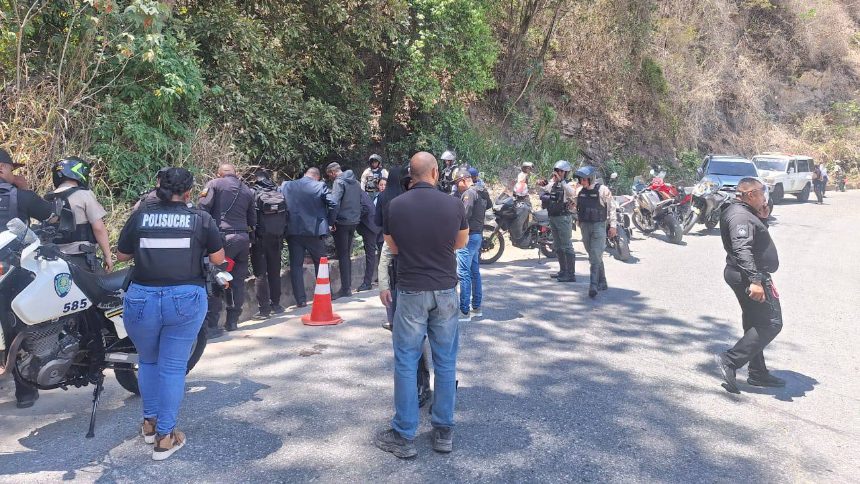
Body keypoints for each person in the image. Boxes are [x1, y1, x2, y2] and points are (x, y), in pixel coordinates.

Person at [116, 167, 225, 460]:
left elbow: (122, 255)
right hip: (185, 298)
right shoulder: (200, 219)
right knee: (173, 367)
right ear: (189, 193)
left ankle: (149, 424)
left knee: (147, 362)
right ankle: (165, 437)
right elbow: (218, 258)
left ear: (158, 187)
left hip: (141, 298)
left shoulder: (140, 215)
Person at [375, 152, 468, 459]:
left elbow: (393, 247)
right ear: (435, 172)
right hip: (445, 290)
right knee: (446, 360)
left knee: (405, 360)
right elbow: (461, 242)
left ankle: (403, 434)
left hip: (411, 290)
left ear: (410, 175)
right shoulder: (454, 204)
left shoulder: (394, 205)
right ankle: (443, 430)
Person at [714, 178, 784, 394]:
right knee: (771, 323)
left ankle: (757, 372)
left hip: (745, 274)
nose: (765, 198)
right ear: (751, 194)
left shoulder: (745, 212)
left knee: (755, 322)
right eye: (762, 193)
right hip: (748, 277)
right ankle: (730, 360)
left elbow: (755, 241)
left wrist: (763, 218)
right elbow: (742, 249)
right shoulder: (740, 216)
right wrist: (755, 281)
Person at [0, 148, 54, 409]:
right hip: (13, 273)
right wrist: (25, 189)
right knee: (19, 326)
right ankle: (25, 390)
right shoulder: (21, 196)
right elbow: (53, 216)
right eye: (13, 169)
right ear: (3, 169)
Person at [375, 164, 433, 408]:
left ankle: (422, 388)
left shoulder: (404, 207)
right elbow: (387, 253)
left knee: (416, 340)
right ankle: (420, 387)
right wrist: (384, 285)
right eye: (408, 182)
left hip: (416, 284)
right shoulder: (400, 209)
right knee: (412, 340)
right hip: (405, 283)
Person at [198, 163, 256, 337]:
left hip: (222, 239)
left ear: (219, 173)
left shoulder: (214, 184)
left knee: (215, 278)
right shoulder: (247, 190)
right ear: (235, 173)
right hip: (243, 239)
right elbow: (253, 219)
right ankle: (232, 321)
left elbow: (202, 209)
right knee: (237, 280)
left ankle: (213, 325)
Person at [44, 157, 113, 273]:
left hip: (53, 261)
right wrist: (108, 256)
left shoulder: (48, 198)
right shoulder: (84, 195)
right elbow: (98, 228)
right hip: (80, 260)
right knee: (104, 284)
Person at [281, 167, 337, 308]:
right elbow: (333, 203)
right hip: (314, 231)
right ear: (317, 176)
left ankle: (301, 300)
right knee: (321, 263)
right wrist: (330, 222)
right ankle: (326, 294)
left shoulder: (287, 185)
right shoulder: (320, 186)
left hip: (293, 231)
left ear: (306, 174)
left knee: (296, 265)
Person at [573, 165, 618, 299]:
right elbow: (575, 207)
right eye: (580, 179)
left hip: (599, 225)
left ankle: (593, 285)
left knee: (594, 254)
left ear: (591, 178)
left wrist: (613, 226)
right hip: (585, 226)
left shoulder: (603, 190)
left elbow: (612, 208)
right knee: (594, 254)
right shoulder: (579, 191)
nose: (582, 182)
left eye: (584, 179)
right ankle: (602, 281)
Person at [250, 169, 288, 320]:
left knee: (260, 273)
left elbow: (251, 216)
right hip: (277, 237)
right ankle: (276, 305)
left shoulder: (253, 192)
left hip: (260, 239)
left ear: (256, 179)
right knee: (274, 271)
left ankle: (264, 310)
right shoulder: (277, 191)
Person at [453, 167, 486, 322]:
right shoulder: (481, 190)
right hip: (477, 234)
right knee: (474, 271)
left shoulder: (469, 194)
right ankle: (476, 307)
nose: (456, 186)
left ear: (464, 180)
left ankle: (464, 310)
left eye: (457, 182)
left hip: (468, 236)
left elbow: (464, 215)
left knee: (463, 273)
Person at [326, 162, 362, 298]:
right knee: (347, 254)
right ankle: (347, 287)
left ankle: (345, 289)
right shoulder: (356, 182)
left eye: (329, 175)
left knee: (343, 255)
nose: (330, 178)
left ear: (332, 172)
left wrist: (331, 222)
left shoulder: (339, 182)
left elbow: (334, 203)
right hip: (353, 221)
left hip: (341, 222)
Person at [539, 160, 577, 283]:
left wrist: (562, 182)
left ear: (566, 173)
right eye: (557, 171)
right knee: (558, 246)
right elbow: (546, 190)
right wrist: (543, 183)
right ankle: (563, 271)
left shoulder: (569, 183)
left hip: (563, 217)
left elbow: (572, 193)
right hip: (553, 216)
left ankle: (570, 274)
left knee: (566, 245)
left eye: (561, 171)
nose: (558, 173)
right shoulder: (554, 183)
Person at [355, 189, 381, 292]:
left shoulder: (357, 193)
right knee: (373, 254)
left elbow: (365, 208)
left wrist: (354, 216)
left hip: (370, 227)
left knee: (370, 255)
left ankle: (367, 282)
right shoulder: (360, 192)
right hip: (371, 225)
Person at [511, 161, 534, 245]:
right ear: (525, 168)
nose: (530, 170)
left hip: (521, 199)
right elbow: (519, 189)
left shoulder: (522, 175)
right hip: (523, 200)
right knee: (526, 218)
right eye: (529, 168)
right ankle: (521, 236)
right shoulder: (522, 176)